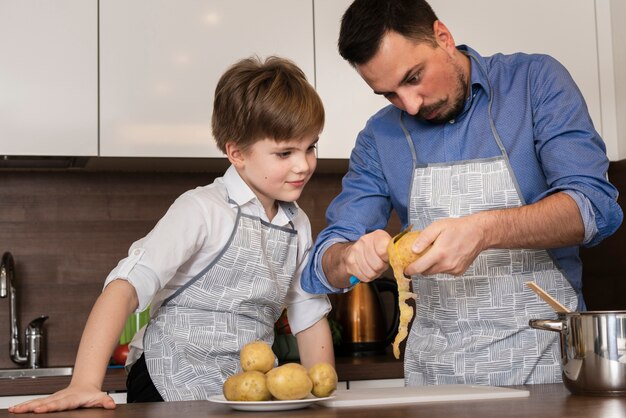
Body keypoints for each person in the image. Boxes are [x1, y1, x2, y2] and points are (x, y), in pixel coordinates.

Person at [301, 0, 623, 387]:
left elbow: (595, 208)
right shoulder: (378, 137)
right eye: (388, 94)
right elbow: (323, 263)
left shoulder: (534, 82)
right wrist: (350, 257)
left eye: (414, 77)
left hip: (545, 370)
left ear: (443, 36)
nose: (411, 105)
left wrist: (483, 230)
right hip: (433, 379)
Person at [10, 56, 333, 413]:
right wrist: (85, 382)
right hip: (167, 376)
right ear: (236, 152)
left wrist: (324, 389)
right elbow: (125, 288)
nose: (303, 165)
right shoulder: (202, 209)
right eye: (285, 152)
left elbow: (308, 312)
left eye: (310, 147)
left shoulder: (297, 224)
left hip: (242, 386)